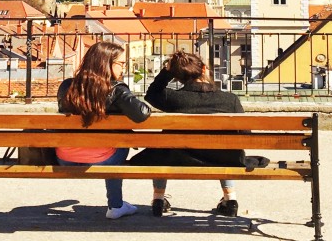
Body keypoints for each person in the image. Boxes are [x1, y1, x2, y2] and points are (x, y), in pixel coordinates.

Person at [132, 50, 245, 217]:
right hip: (220, 159)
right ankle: (230, 199)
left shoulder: (174, 99)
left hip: (178, 157)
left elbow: (151, 94)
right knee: (226, 147)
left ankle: (158, 199)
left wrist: (167, 72)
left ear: (178, 77)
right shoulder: (230, 100)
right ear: (204, 69)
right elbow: (244, 133)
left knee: (162, 148)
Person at [56, 40, 152, 219]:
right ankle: (116, 206)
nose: (124, 68)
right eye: (122, 64)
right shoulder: (116, 90)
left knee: (113, 142)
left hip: (65, 158)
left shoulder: (66, 87)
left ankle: (117, 205)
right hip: (104, 160)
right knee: (120, 144)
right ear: (107, 64)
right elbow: (141, 113)